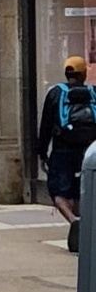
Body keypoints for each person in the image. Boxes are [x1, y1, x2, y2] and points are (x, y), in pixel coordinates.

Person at [38, 56, 96, 251]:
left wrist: (42, 152)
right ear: (84, 74)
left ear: (66, 73)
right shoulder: (93, 93)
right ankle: (84, 223)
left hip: (62, 150)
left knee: (58, 191)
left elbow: (45, 126)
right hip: (88, 152)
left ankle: (73, 220)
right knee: (83, 190)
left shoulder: (55, 93)